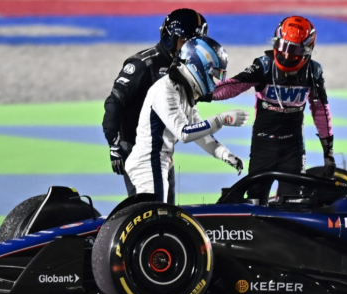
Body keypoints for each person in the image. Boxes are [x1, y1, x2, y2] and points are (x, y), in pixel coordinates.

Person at [202, 15, 335, 202]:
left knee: (292, 203)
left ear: (308, 50)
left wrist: (328, 153)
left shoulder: (314, 72)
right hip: (263, 145)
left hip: (293, 148)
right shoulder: (264, 65)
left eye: (294, 50)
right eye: (283, 48)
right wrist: (202, 94)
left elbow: (321, 111)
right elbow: (234, 86)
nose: (287, 55)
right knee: (256, 201)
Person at [125, 37, 249, 203]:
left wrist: (224, 154)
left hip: (160, 163)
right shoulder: (165, 90)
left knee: (163, 221)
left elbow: (198, 130)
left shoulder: (183, 90)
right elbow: (184, 132)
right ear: (198, 67)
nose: (214, 82)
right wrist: (221, 119)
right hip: (149, 164)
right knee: (154, 222)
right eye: (213, 74)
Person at [102, 8, 209, 197]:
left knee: (167, 212)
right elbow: (114, 102)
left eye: (195, 43)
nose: (189, 48)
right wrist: (113, 142)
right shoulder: (142, 64)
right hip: (137, 149)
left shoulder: (186, 68)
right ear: (170, 37)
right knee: (147, 211)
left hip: (163, 151)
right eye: (185, 41)